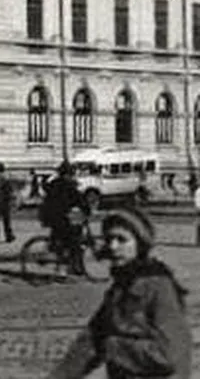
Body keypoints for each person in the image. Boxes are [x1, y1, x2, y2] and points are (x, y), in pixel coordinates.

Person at [50, 207, 190, 378]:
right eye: (109, 239)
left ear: (140, 244)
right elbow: (92, 340)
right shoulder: (121, 285)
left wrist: (114, 347)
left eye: (122, 240)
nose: (113, 246)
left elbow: (169, 353)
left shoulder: (159, 287)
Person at [41, 161, 90, 274]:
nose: (72, 175)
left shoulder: (55, 183)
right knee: (72, 240)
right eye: (71, 173)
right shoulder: (68, 185)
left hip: (51, 217)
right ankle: (64, 269)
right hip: (60, 218)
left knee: (63, 240)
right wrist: (86, 209)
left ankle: (67, 263)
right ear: (68, 173)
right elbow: (78, 199)